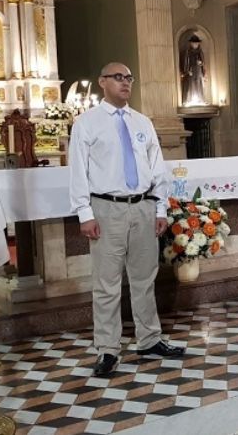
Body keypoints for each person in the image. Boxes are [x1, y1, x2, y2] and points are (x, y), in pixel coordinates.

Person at [69, 62, 186, 377]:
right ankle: (107, 349)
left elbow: (156, 167)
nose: (125, 83)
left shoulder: (142, 122)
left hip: (143, 208)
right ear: (102, 82)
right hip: (106, 208)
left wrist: (160, 209)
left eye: (129, 78)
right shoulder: (87, 123)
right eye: (118, 77)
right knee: (107, 284)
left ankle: (149, 339)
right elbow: (77, 170)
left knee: (144, 279)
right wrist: (85, 213)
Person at [181, 35, 206, 105]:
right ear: (191, 43)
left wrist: (201, 63)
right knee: (191, 85)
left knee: (199, 84)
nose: (196, 44)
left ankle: (200, 99)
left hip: (198, 71)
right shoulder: (188, 52)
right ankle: (190, 100)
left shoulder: (200, 51)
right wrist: (187, 70)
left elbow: (203, 62)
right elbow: (186, 62)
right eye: (194, 43)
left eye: (197, 43)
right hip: (191, 71)